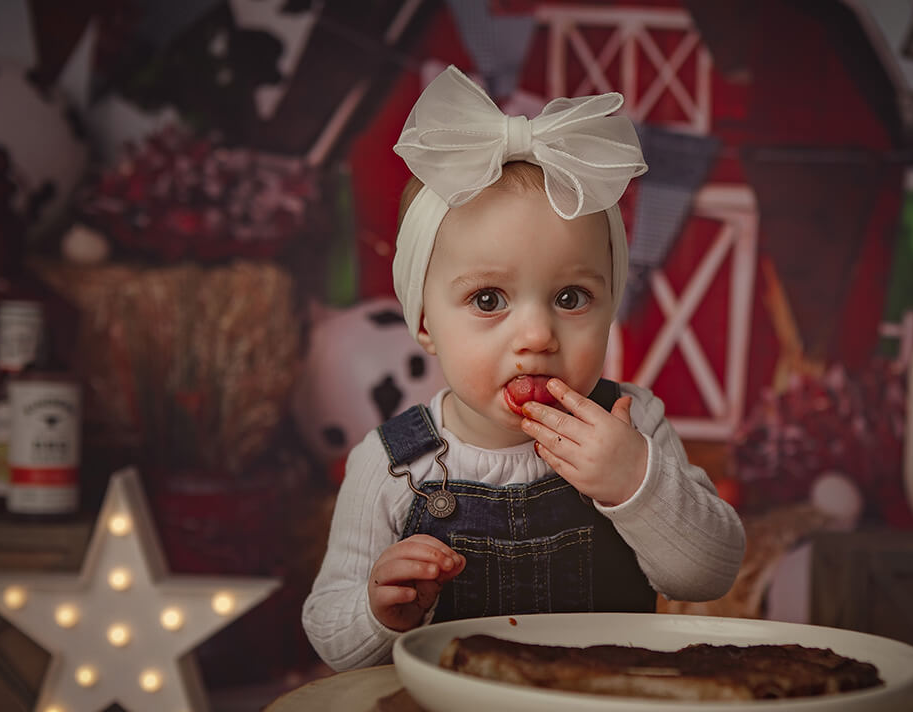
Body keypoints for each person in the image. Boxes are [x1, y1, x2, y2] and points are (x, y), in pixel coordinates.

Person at [303, 65, 745, 671]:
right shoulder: (391, 462)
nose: (537, 336)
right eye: (489, 300)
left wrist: (634, 484)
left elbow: (709, 575)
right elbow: (330, 632)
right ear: (426, 323)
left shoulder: (632, 423)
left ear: (610, 306)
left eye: (571, 298)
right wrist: (380, 610)